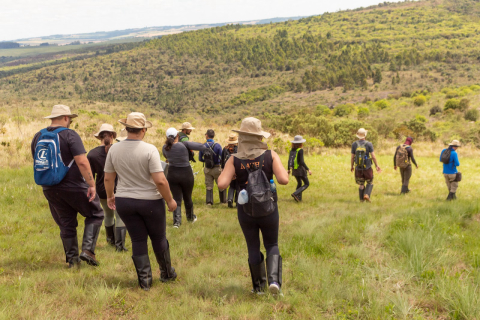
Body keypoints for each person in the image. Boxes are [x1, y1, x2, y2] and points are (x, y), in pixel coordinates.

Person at [104, 112, 178, 290]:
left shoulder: (114, 149)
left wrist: (110, 196)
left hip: (124, 201)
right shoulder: (149, 149)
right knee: (158, 237)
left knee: (137, 239)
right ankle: (167, 273)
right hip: (150, 201)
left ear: (126, 128)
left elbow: (108, 178)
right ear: (143, 130)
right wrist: (170, 201)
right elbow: (160, 180)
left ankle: (144, 281)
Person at [218, 117, 289, 295]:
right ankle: (274, 282)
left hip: (246, 210)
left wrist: (234, 174)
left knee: (253, 246)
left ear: (241, 137)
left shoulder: (234, 159)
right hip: (269, 208)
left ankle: (259, 288)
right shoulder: (270, 155)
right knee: (272, 243)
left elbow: (221, 185)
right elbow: (284, 180)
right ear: (259, 137)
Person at [31, 105, 104, 268]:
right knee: (96, 213)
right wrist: (91, 184)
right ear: (65, 117)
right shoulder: (70, 135)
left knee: (66, 222)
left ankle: (73, 262)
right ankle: (88, 250)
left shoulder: (38, 136)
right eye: (70, 118)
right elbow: (82, 161)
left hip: (49, 188)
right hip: (73, 186)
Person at [87, 124, 128, 252]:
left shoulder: (92, 154)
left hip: (101, 190)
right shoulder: (119, 150)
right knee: (120, 216)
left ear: (99, 137)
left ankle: (110, 241)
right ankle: (120, 246)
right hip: (118, 188)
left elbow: (90, 176)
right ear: (112, 136)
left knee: (108, 214)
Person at [162, 128, 207, 227]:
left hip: (172, 174)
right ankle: (190, 218)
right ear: (177, 135)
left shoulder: (164, 147)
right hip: (186, 174)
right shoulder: (184, 144)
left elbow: (166, 157)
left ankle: (177, 222)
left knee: (176, 198)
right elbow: (202, 147)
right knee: (187, 197)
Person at [351, 128, 381, 202]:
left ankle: (361, 200)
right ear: (365, 135)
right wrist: (377, 165)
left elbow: (352, 157)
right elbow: (373, 156)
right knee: (369, 182)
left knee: (361, 184)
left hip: (358, 167)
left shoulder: (354, 144)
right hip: (367, 167)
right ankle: (367, 194)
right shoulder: (369, 144)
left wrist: (352, 166)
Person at [199, 129, 226, 205]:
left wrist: (207, 161)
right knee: (221, 184)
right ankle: (223, 201)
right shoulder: (217, 146)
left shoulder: (203, 146)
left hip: (207, 168)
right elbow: (222, 157)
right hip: (217, 168)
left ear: (207, 135)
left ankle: (209, 202)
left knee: (209, 186)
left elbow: (200, 159)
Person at [287, 135, 312, 202]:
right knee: (306, 184)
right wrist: (308, 169)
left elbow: (289, 160)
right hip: (300, 170)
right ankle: (295, 193)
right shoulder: (300, 150)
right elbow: (302, 162)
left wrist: (288, 169)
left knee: (299, 183)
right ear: (300, 143)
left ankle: (298, 198)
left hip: (294, 170)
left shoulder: (291, 150)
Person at [221, 134, 239, 208]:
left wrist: (223, 169)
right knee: (238, 186)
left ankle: (230, 199)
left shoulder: (225, 149)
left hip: (228, 170)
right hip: (237, 170)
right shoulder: (238, 149)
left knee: (231, 186)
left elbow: (222, 160)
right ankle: (237, 202)